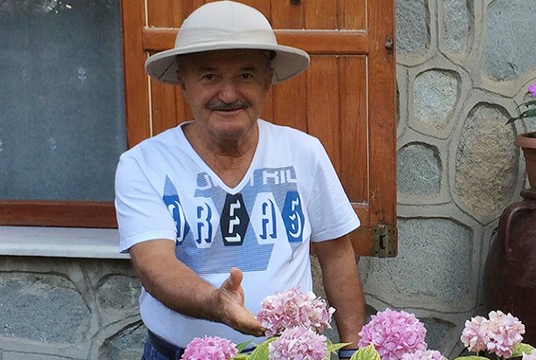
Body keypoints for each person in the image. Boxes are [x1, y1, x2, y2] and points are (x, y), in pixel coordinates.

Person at [114, 1, 365, 359]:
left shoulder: (303, 152)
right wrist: (215, 302)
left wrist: (354, 351)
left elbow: (337, 254)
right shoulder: (144, 164)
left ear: (268, 79)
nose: (228, 95)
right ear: (182, 81)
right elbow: (154, 265)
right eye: (209, 76)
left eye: (246, 75)